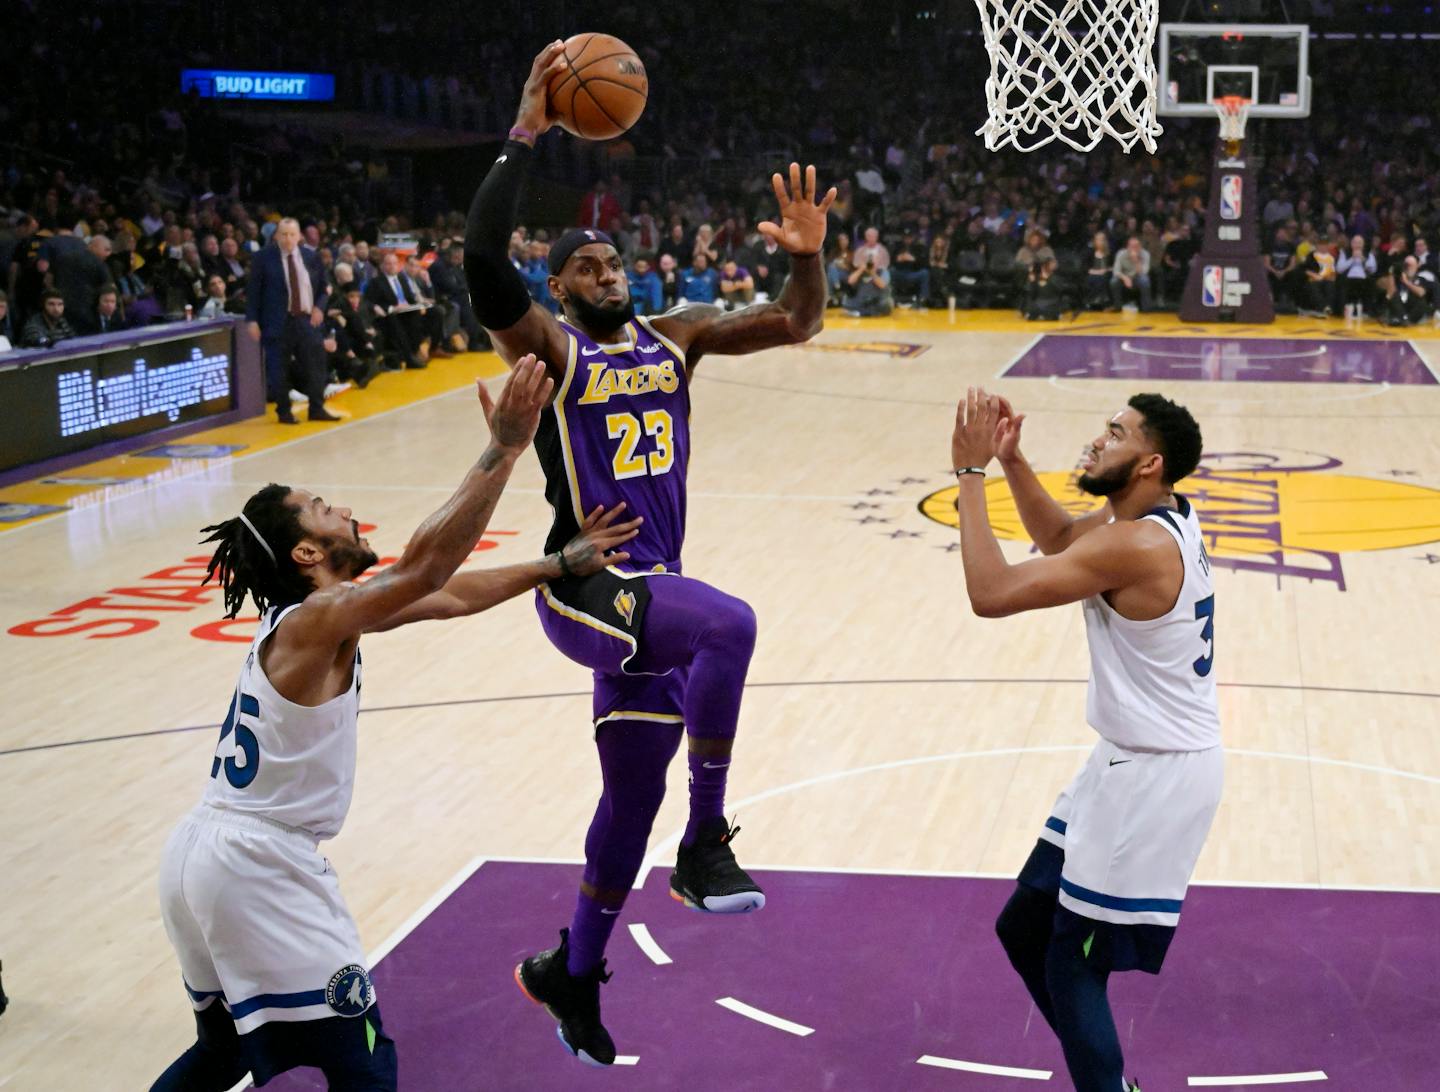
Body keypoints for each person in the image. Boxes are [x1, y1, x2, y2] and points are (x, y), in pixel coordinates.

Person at [461, 40, 835, 1068]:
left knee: (629, 798)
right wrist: (528, 126)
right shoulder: (551, 346)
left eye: (613, 262)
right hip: (584, 583)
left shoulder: (678, 337)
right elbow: (482, 263)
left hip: (649, 595)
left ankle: (571, 974)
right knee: (733, 623)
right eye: (583, 267)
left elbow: (800, 319)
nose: (603, 271)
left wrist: (806, 251)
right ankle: (706, 845)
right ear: (560, 291)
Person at [150, 360, 641, 1092]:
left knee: (223, 1055)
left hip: (201, 853)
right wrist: (503, 449)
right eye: (322, 507)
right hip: (258, 865)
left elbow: (446, 596)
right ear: (306, 554)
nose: (343, 508)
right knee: (366, 1060)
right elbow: (424, 570)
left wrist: (551, 565)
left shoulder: (317, 623)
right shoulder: (317, 619)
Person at [948, 388, 1220, 1092]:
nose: (1099, 440)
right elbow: (1065, 542)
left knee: (1073, 963)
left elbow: (991, 592)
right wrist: (1011, 462)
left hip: (1156, 780)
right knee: (1024, 929)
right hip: (1123, 763)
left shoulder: (1136, 545)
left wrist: (970, 475)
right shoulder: (1148, 517)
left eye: (1116, 433)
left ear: (1149, 462)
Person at [245, 218, 338, 425]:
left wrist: (318, 308)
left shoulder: (311, 257)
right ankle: (284, 412)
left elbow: (323, 289)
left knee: (316, 365)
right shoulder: (263, 258)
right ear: (276, 236)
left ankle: (317, 408)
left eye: (292, 234)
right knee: (279, 370)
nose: (288, 239)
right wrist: (252, 320)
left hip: (306, 320)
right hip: (277, 321)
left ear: (299, 236)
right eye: (284, 234)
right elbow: (253, 293)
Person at [363, 252, 427, 370]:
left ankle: (415, 351)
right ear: (383, 266)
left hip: (406, 311)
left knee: (426, 314)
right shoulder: (376, 282)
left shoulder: (402, 278)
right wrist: (392, 308)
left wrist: (417, 304)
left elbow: (409, 298)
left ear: (398, 265)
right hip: (388, 314)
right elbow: (368, 301)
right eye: (388, 264)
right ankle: (409, 359)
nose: (392, 266)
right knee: (395, 322)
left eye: (394, 263)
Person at [1109, 236, 1151, 311]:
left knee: (1145, 281)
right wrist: (1125, 278)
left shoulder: (1145, 254)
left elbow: (1144, 272)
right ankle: (1117, 307)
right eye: (1132, 246)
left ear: (1140, 247)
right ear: (1127, 247)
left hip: (1137, 277)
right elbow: (1116, 271)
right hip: (1124, 277)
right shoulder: (1121, 253)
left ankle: (1146, 309)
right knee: (1114, 281)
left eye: (1137, 246)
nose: (1134, 249)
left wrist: (1136, 261)